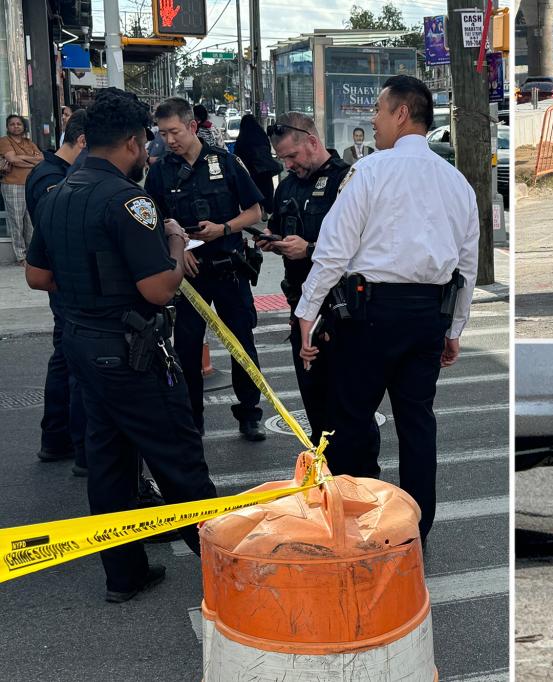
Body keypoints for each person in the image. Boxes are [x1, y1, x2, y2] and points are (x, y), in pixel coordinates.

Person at [24, 87, 217, 602]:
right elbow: (159, 287)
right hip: (131, 351)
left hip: (82, 344)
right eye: (146, 144)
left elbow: (38, 276)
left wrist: (90, 289)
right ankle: (232, 573)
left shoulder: (57, 194)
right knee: (178, 460)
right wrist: (175, 240)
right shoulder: (130, 202)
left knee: (109, 465)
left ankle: (124, 574)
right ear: (133, 142)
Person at [294, 75, 479, 541]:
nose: (372, 120)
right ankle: (417, 526)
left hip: (370, 314)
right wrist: (455, 328)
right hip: (429, 316)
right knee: (417, 422)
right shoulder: (456, 181)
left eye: (378, 110)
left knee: (353, 418)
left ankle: (360, 521)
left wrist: (306, 314)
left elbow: (333, 250)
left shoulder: (371, 171)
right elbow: (468, 265)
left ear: (401, 113)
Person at [146, 97, 266, 440]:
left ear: (192, 126)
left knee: (241, 345)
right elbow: (151, 220)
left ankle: (249, 413)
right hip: (188, 277)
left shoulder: (226, 163)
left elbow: (255, 211)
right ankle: (192, 419)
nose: (169, 140)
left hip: (229, 269)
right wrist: (178, 246)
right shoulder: (160, 171)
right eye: (163, 133)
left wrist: (224, 228)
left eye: (174, 132)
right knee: (186, 350)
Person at [263, 112, 352, 444]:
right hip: (300, 309)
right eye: (282, 158)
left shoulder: (347, 181)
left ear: (312, 142)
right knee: (314, 404)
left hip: (341, 312)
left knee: (348, 410)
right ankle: (324, 476)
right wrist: (271, 241)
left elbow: (360, 247)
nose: (287, 164)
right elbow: (277, 225)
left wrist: (310, 249)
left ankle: (358, 480)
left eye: (292, 156)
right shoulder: (286, 186)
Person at [25, 109, 88, 471]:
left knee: (65, 358)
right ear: (81, 142)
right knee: (71, 361)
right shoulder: (51, 177)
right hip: (63, 280)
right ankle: (66, 439)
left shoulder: (59, 173)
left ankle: (59, 437)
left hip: (64, 278)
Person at [0, 114, 42, 264]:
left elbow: (41, 159)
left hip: (30, 185)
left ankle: (32, 255)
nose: (16, 126)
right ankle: (21, 256)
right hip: (12, 185)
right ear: (7, 127)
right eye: (12, 124)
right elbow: (12, 159)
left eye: (19, 124)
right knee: (16, 221)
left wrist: (22, 158)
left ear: (23, 127)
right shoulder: (5, 141)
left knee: (30, 221)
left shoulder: (29, 143)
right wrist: (31, 161)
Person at [234, 114, 281, 214]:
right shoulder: (261, 135)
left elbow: (237, 156)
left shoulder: (242, 138)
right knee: (267, 189)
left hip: (250, 171)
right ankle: (266, 209)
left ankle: (258, 209)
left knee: (254, 190)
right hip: (264, 170)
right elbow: (267, 149)